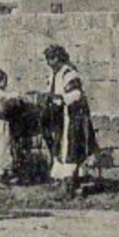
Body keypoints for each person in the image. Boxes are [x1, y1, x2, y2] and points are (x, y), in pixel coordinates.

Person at [44, 44, 96, 197]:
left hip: (73, 116)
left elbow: (76, 94)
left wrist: (61, 100)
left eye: (52, 59)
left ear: (59, 58)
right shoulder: (54, 74)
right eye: (48, 59)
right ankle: (61, 180)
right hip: (61, 117)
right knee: (60, 145)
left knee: (70, 146)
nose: (50, 62)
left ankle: (69, 184)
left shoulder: (69, 73)